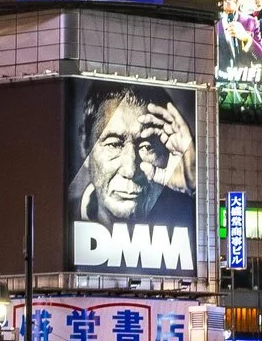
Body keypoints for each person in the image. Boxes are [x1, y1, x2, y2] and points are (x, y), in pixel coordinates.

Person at [70, 84, 196, 234]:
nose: (130, 170)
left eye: (147, 147)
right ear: (85, 145)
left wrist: (195, 185)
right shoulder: (58, 220)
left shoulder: (188, 215)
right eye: (114, 144)